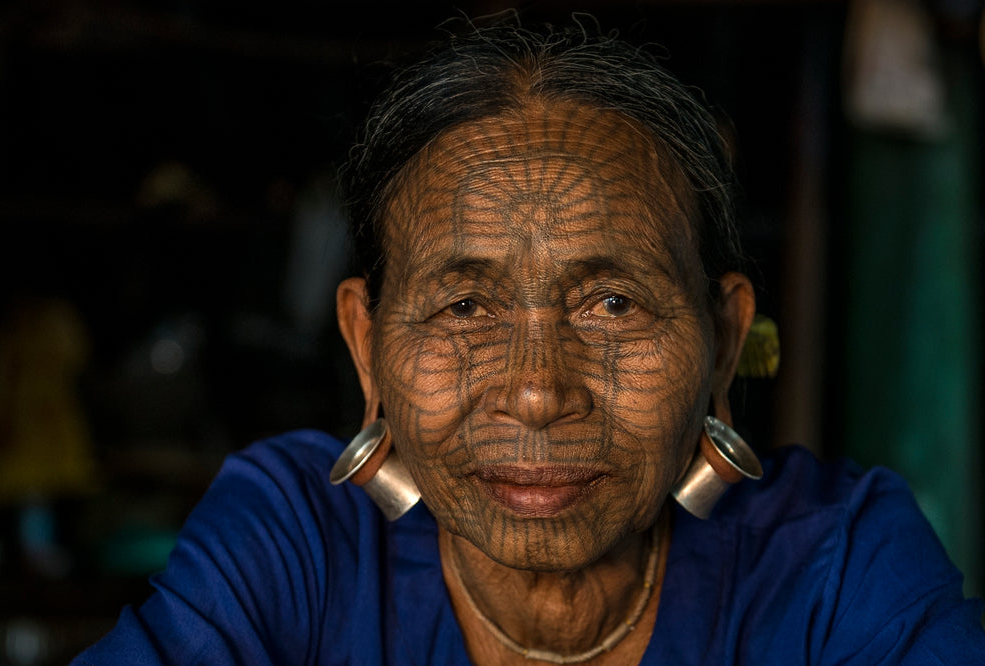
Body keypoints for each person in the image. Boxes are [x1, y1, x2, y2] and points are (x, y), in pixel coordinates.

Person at [73, 18, 985, 665]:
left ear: (721, 339)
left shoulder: (839, 564)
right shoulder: (296, 543)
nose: (539, 393)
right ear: (366, 344)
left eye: (613, 305)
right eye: (465, 309)